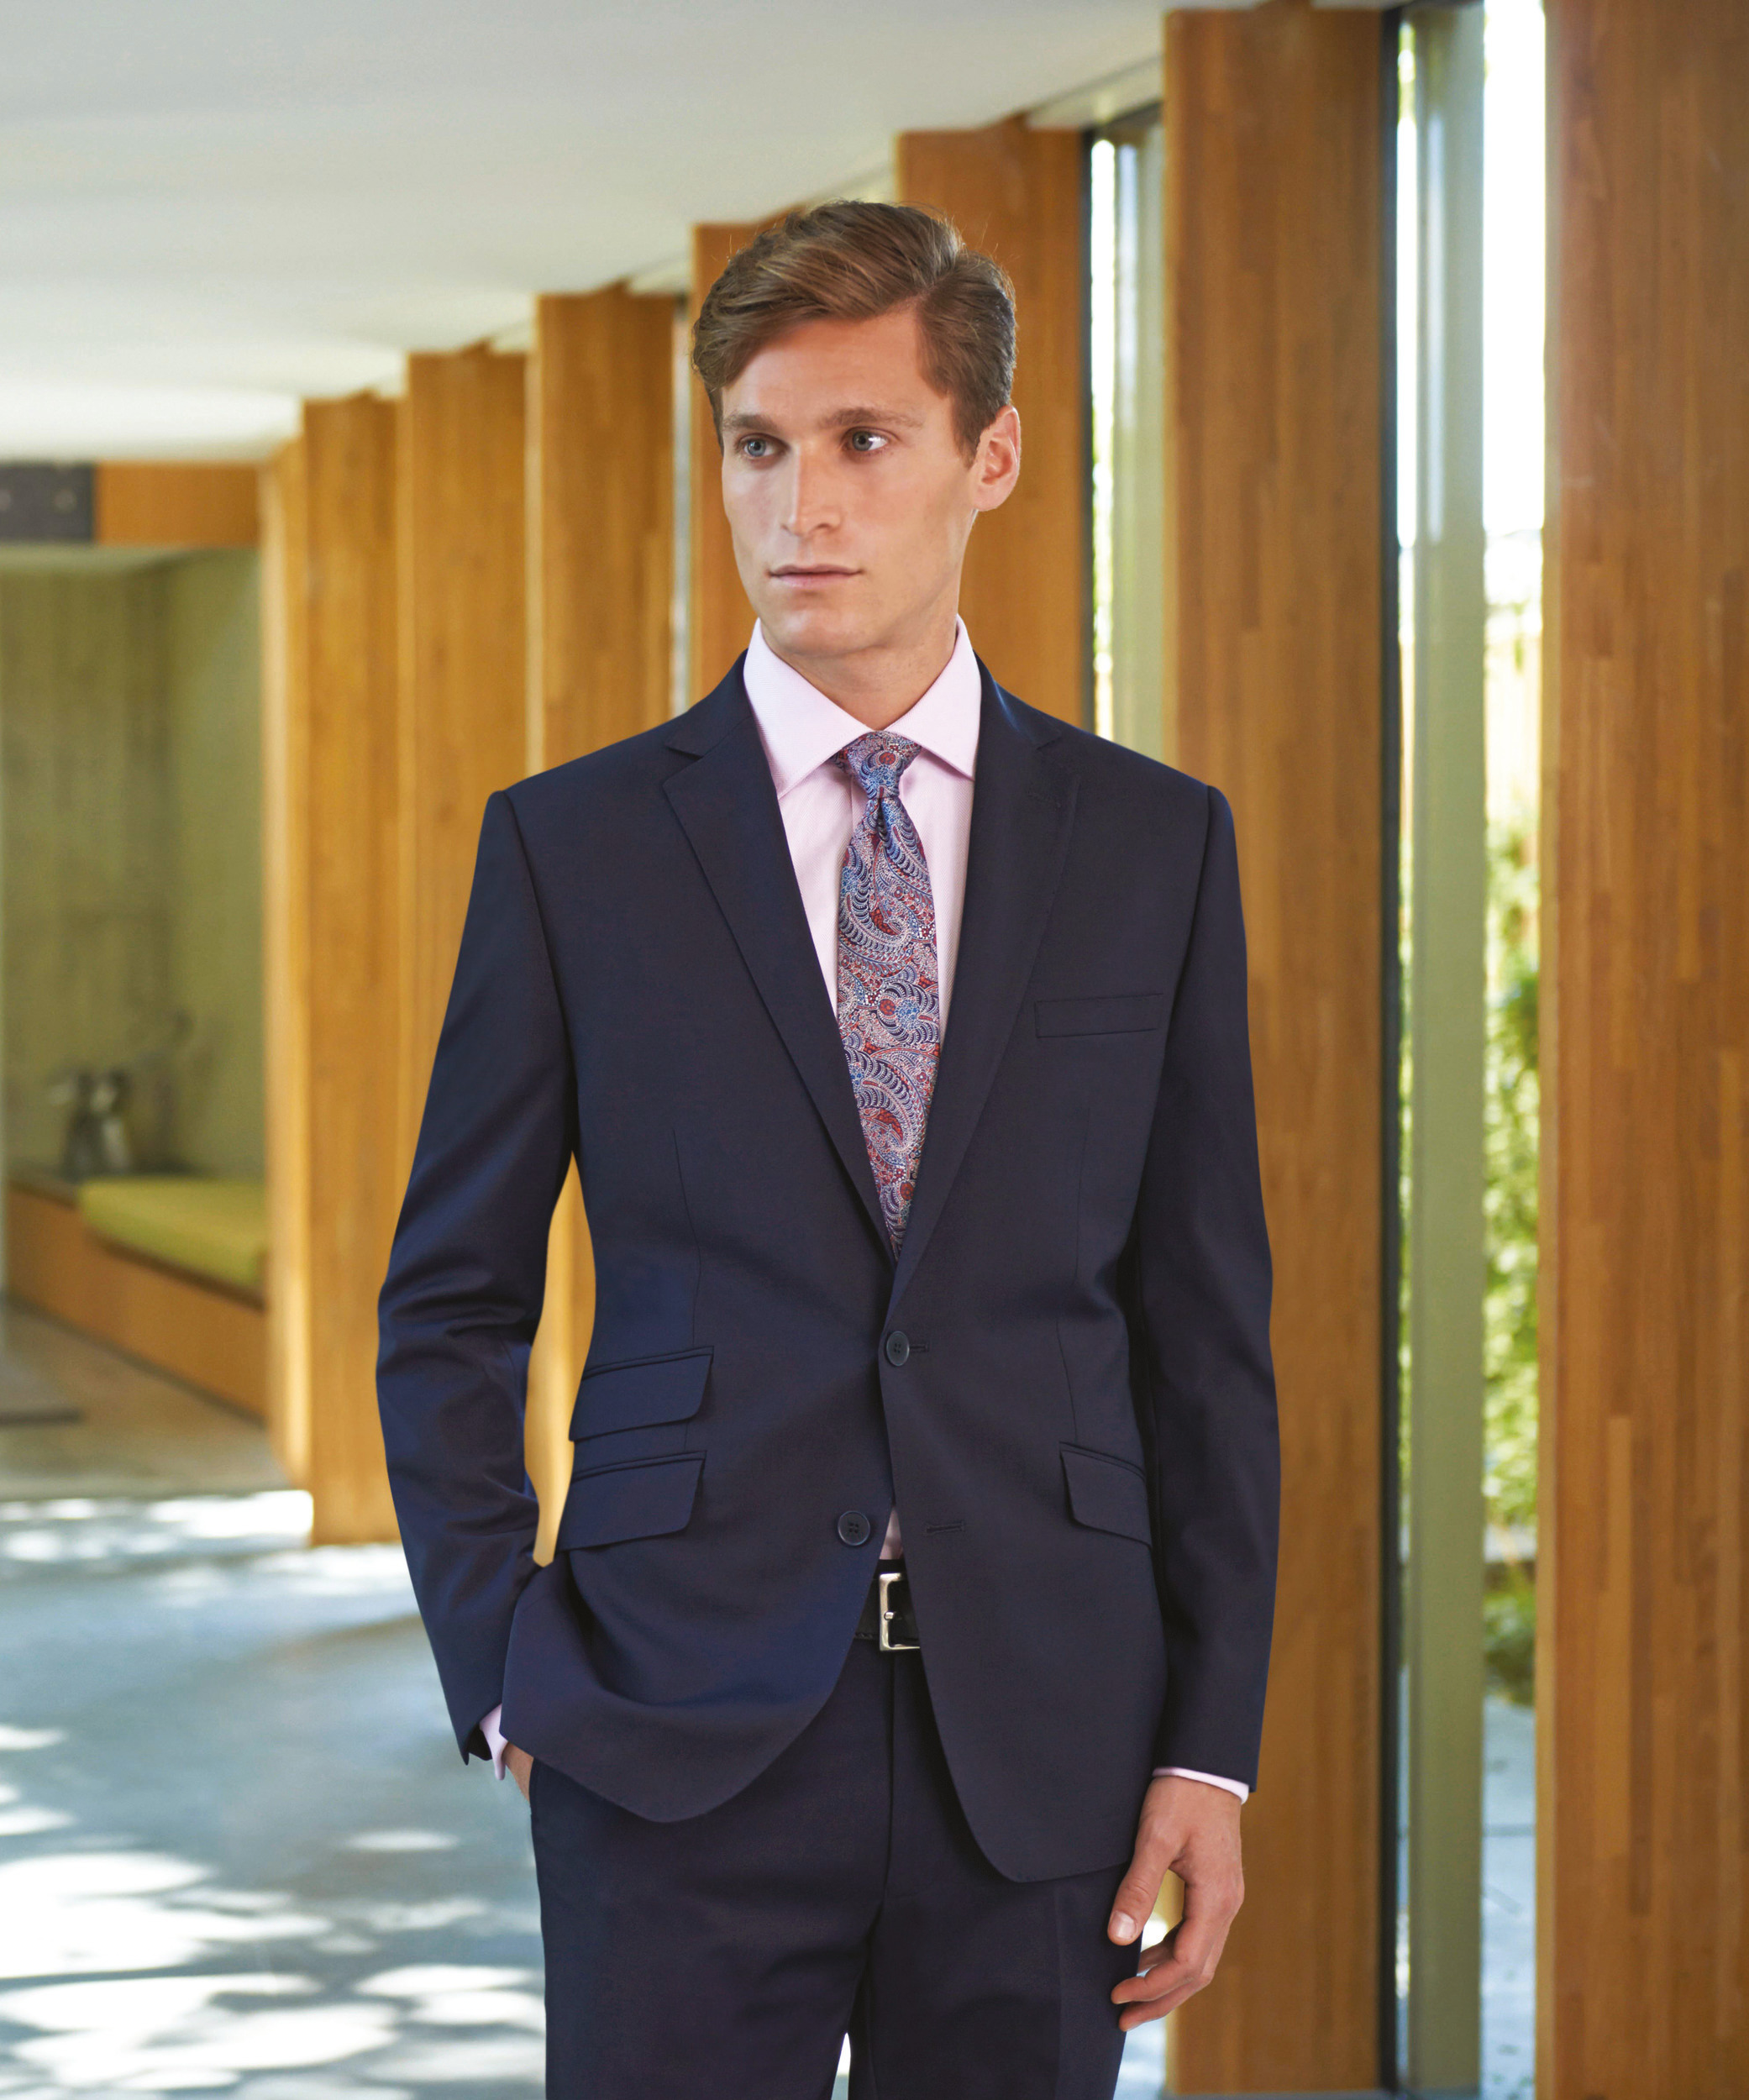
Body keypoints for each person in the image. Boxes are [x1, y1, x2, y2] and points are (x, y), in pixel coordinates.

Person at [376, 201, 1279, 2097]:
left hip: (1037, 1740)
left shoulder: (1151, 847)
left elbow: (1202, 1327)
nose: (804, 504)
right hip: (665, 1724)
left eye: (864, 441)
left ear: (991, 454)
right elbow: (451, 1295)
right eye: (759, 446)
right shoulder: (575, 848)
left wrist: (1206, 1744)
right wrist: (505, 1664)